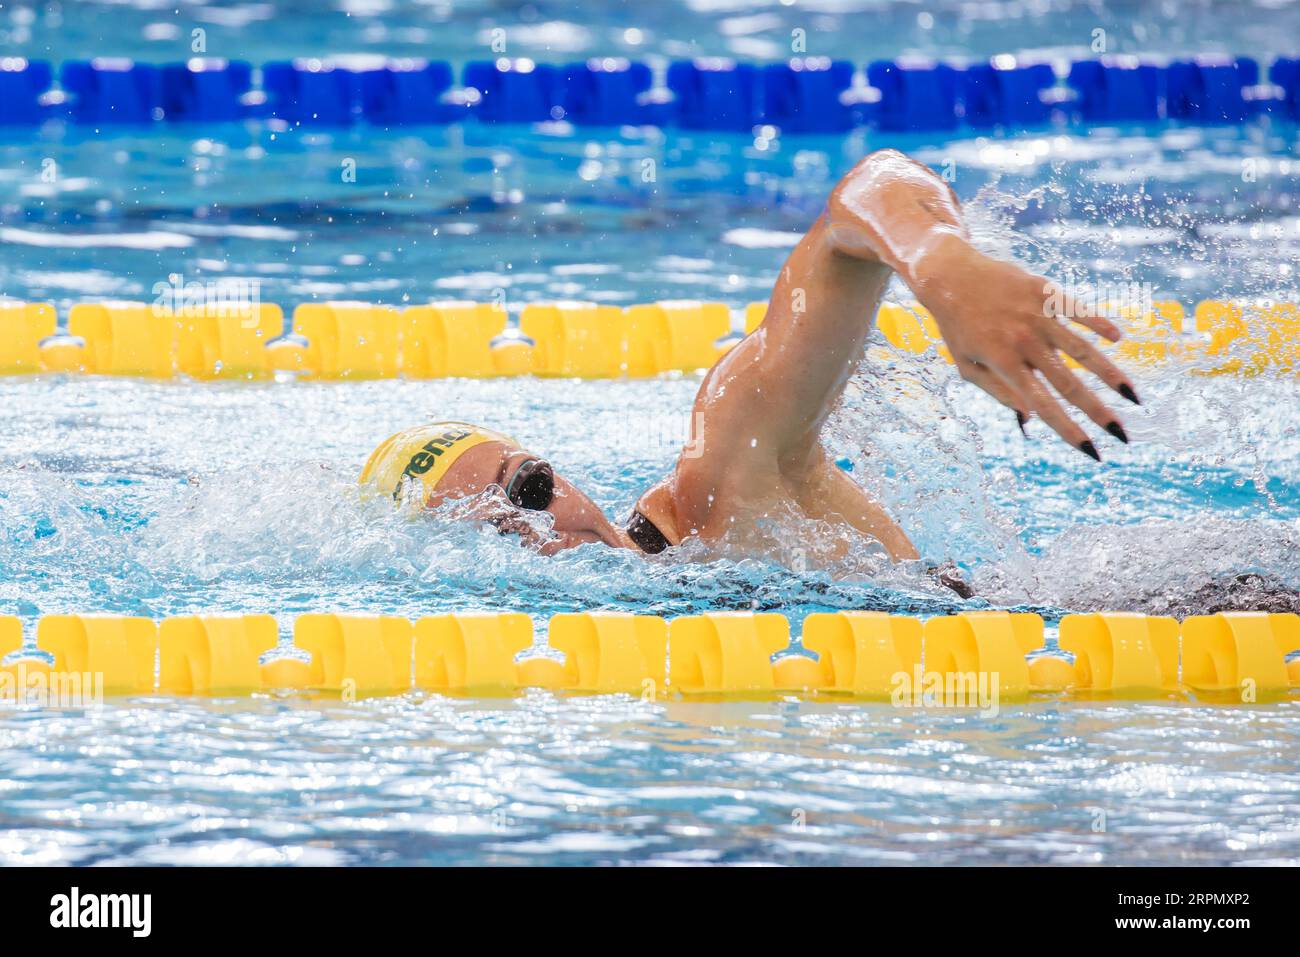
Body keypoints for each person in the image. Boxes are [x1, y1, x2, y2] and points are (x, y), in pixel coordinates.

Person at [360, 149, 1139, 570]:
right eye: (488, 538)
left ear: (557, 472)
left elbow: (868, 189)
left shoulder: (718, 488)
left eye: (528, 489)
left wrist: (942, 265)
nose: (534, 532)